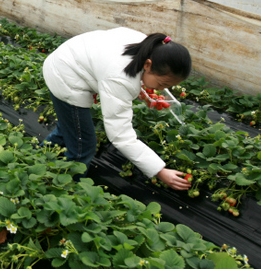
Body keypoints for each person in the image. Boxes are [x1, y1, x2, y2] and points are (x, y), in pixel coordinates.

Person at [42, 26, 192, 190]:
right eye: (162, 84)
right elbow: (121, 135)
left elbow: (117, 69)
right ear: (148, 65)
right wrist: (159, 171)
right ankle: (67, 188)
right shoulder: (120, 78)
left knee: (69, 127)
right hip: (65, 77)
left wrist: (141, 87)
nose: (160, 90)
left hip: (68, 58)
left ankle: (38, 158)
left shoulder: (147, 46)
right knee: (84, 145)